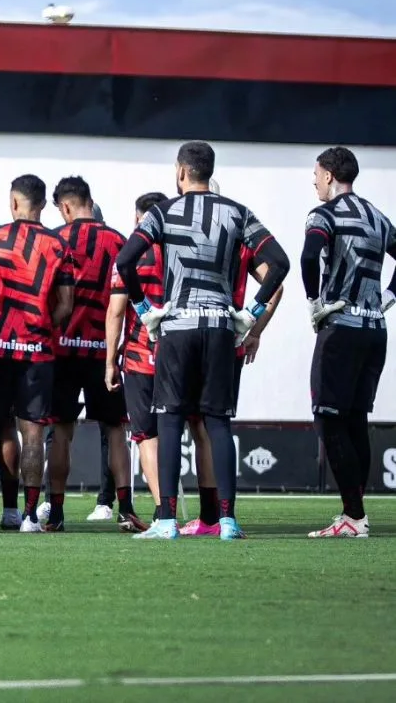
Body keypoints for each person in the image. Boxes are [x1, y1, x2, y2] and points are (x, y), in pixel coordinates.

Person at [116, 141, 289, 541]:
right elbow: (280, 263)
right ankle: (227, 520)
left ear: (180, 172)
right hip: (220, 327)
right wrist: (253, 314)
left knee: (170, 420)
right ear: (209, 172)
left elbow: (125, 261)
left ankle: (165, 521)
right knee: (217, 422)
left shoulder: (163, 212)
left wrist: (144, 311)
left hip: (177, 327)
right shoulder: (239, 212)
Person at [0, 175, 75, 533]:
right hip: (37, 353)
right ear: (43, 205)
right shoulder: (59, 246)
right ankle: (30, 516)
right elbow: (66, 306)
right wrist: (43, 329)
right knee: (32, 435)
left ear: (13, 203)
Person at [181, 178, 284, 536]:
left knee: (200, 427)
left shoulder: (185, 233)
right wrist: (253, 328)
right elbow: (276, 285)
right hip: (227, 340)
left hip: (191, 335)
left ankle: (211, 516)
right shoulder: (238, 236)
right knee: (215, 425)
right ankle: (221, 516)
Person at [301, 147, 396, 538]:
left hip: (341, 326)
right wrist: (390, 296)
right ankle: (357, 514)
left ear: (328, 176)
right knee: (356, 419)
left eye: (316, 173)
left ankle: (353, 516)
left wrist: (314, 302)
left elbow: (309, 257)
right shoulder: (377, 215)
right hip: (376, 330)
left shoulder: (323, 215)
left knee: (328, 417)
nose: (313, 180)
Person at [47, 176, 145, 533]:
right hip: (104, 353)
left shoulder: (57, 240)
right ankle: (125, 508)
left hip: (62, 351)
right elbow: (131, 301)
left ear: (66, 207)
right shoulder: (121, 241)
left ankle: (55, 513)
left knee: (60, 431)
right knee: (116, 431)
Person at [106, 192, 168, 522]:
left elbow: (116, 312)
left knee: (146, 434)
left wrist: (109, 362)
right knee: (189, 429)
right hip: (179, 355)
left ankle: (163, 511)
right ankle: (215, 514)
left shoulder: (132, 255)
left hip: (141, 355)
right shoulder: (180, 252)